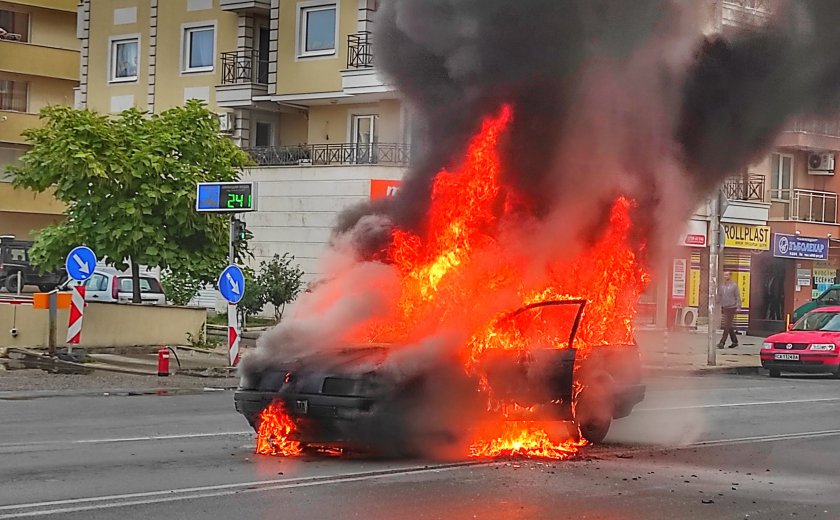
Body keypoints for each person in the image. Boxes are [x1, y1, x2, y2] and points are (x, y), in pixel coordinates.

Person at [718, 271, 742, 349]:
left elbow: (737, 296)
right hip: (724, 307)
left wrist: (738, 305)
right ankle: (735, 341)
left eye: (727, 275)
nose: (725, 276)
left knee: (727, 325)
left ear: (730, 276)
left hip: (732, 307)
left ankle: (722, 342)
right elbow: (719, 295)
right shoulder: (722, 286)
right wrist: (716, 302)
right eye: (724, 274)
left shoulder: (734, 285)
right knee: (729, 325)